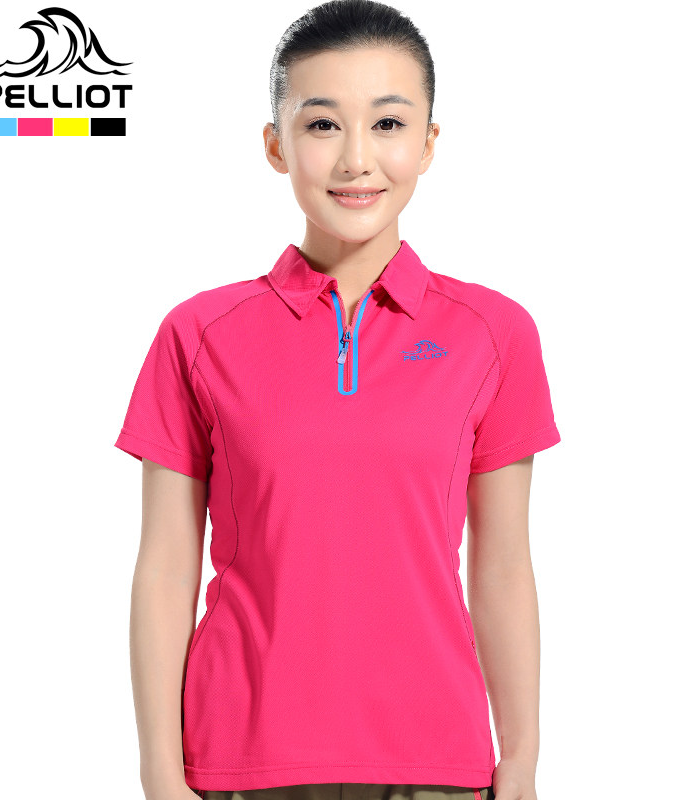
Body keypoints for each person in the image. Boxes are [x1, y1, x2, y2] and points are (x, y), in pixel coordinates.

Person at [114, 2, 561, 800]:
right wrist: (159, 772)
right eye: (323, 125)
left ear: (428, 143)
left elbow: (502, 566)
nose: (358, 159)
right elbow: (165, 567)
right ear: (275, 145)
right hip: (238, 760)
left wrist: (521, 758)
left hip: (436, 763)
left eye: (389, 124)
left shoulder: (494, 333)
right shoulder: (200, 333)